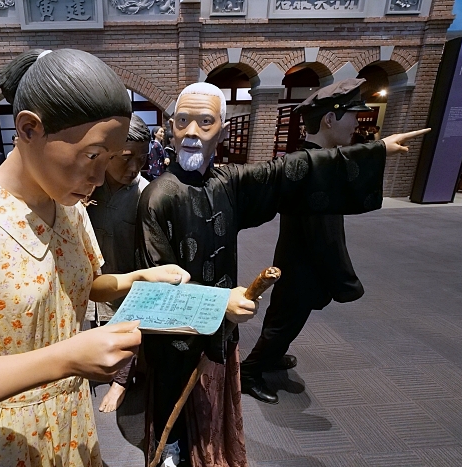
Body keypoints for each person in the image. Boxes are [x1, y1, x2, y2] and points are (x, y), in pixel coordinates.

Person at [0, 49, 190, 467]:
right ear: (29, 128)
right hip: (4, 436)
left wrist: (137, 276)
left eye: (110, 160)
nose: (99, 178)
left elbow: (72, 287)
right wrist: (64, 357)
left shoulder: (69, 210)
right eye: (91, 156)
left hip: (73, 422)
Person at [135, 81, 429, 467]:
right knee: (175, 401)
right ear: (171, 128)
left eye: (204, 122)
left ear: (221, 130)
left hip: (222, 328)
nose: (192, 132)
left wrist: (375, 151)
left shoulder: (227, 183)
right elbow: (156, 289)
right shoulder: (158, 197)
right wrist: (219, 303)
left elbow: (290, 170)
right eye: (183, 121)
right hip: (176, 339)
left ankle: (210, 450)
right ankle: (173, 449)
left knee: (213, 402)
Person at [239, 78, 374, 405]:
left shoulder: (309, 159)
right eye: (352, 115)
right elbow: (325, 235)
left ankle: (269, 357)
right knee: (284, 322)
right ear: (330, 119)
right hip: (304, 263)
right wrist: (344, 281)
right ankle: (250, 371)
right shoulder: (317, 168)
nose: (358, 122)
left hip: (294, 257)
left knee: (283, 318)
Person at [85, 113, 151, 413]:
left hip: (127, 278)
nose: (134, 167)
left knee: (127, 328)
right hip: (90, 278)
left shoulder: (146, 194)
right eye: (126, 157)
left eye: (142, 158)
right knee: (91, 325)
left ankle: (122, 382)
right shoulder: (86, 185)